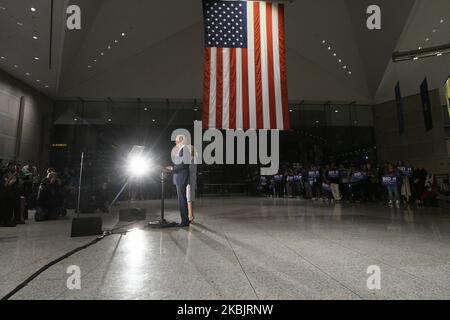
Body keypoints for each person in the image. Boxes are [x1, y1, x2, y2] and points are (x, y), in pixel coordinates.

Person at [167, 135, 190, 227]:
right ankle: (184, 220)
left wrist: (172, 168)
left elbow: (183, 164)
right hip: (179, 177)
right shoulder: (181, 150)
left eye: (176, 141)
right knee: (181, 199)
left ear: (181, 141)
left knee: (182, 200)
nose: (175, 143)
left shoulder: (185, 150)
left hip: (181, 177)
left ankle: (185, 221)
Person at [186, 145, 198, 223]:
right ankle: (191, 215)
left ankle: (190, 216)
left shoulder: (192, 159)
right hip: (190, 181)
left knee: (189, 199)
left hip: (190, 181)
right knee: (190, 199)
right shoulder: (192, 159)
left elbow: (189, 170)